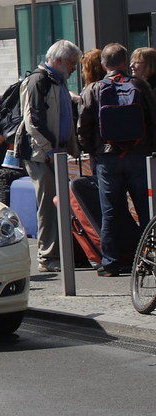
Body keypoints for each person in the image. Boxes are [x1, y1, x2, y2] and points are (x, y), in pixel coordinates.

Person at [77, 43, 156, 277]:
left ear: (104, 65)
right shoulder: (139, 85)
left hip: (107, 158)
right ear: (124, 62)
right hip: (139, 156)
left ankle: (110, 263)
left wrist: (95, 150)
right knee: (145, 209)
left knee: (110, 211)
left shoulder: (92, 89)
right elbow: (152, 119)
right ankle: (149, 259)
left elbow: (83, 127)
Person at [15, 39, 82, 274]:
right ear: (60, 59)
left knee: (56, 202)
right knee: (48, 203)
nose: (75, 67)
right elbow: (33, 120)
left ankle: (57, 252)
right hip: (41, 153)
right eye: (73, 63)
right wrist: (50, 150)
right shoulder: (39, 80)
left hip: (55, 151)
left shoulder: (58, 81)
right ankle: (47, 255)